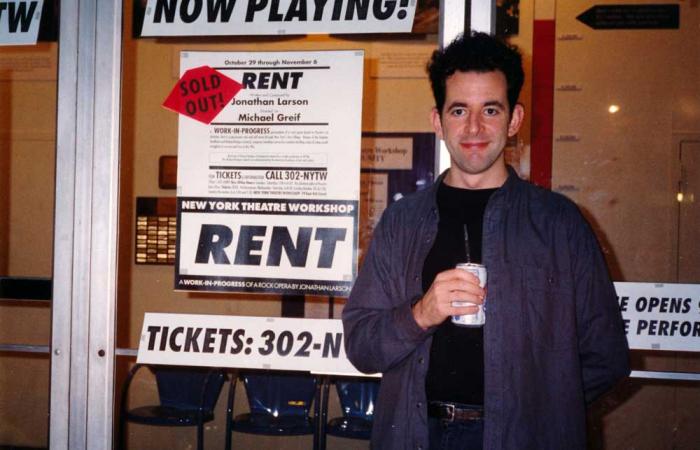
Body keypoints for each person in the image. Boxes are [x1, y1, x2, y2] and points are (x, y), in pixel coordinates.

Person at [342, 32, 629, 450]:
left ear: (514, 120)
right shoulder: (400, 222)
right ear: (437, 121)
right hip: (415, 434)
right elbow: (362, 346)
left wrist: (541, 412)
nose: (474, 127)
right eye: (459, 110)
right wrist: (421, 313)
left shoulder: (560, 225)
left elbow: (606, 356)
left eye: (490, 109)